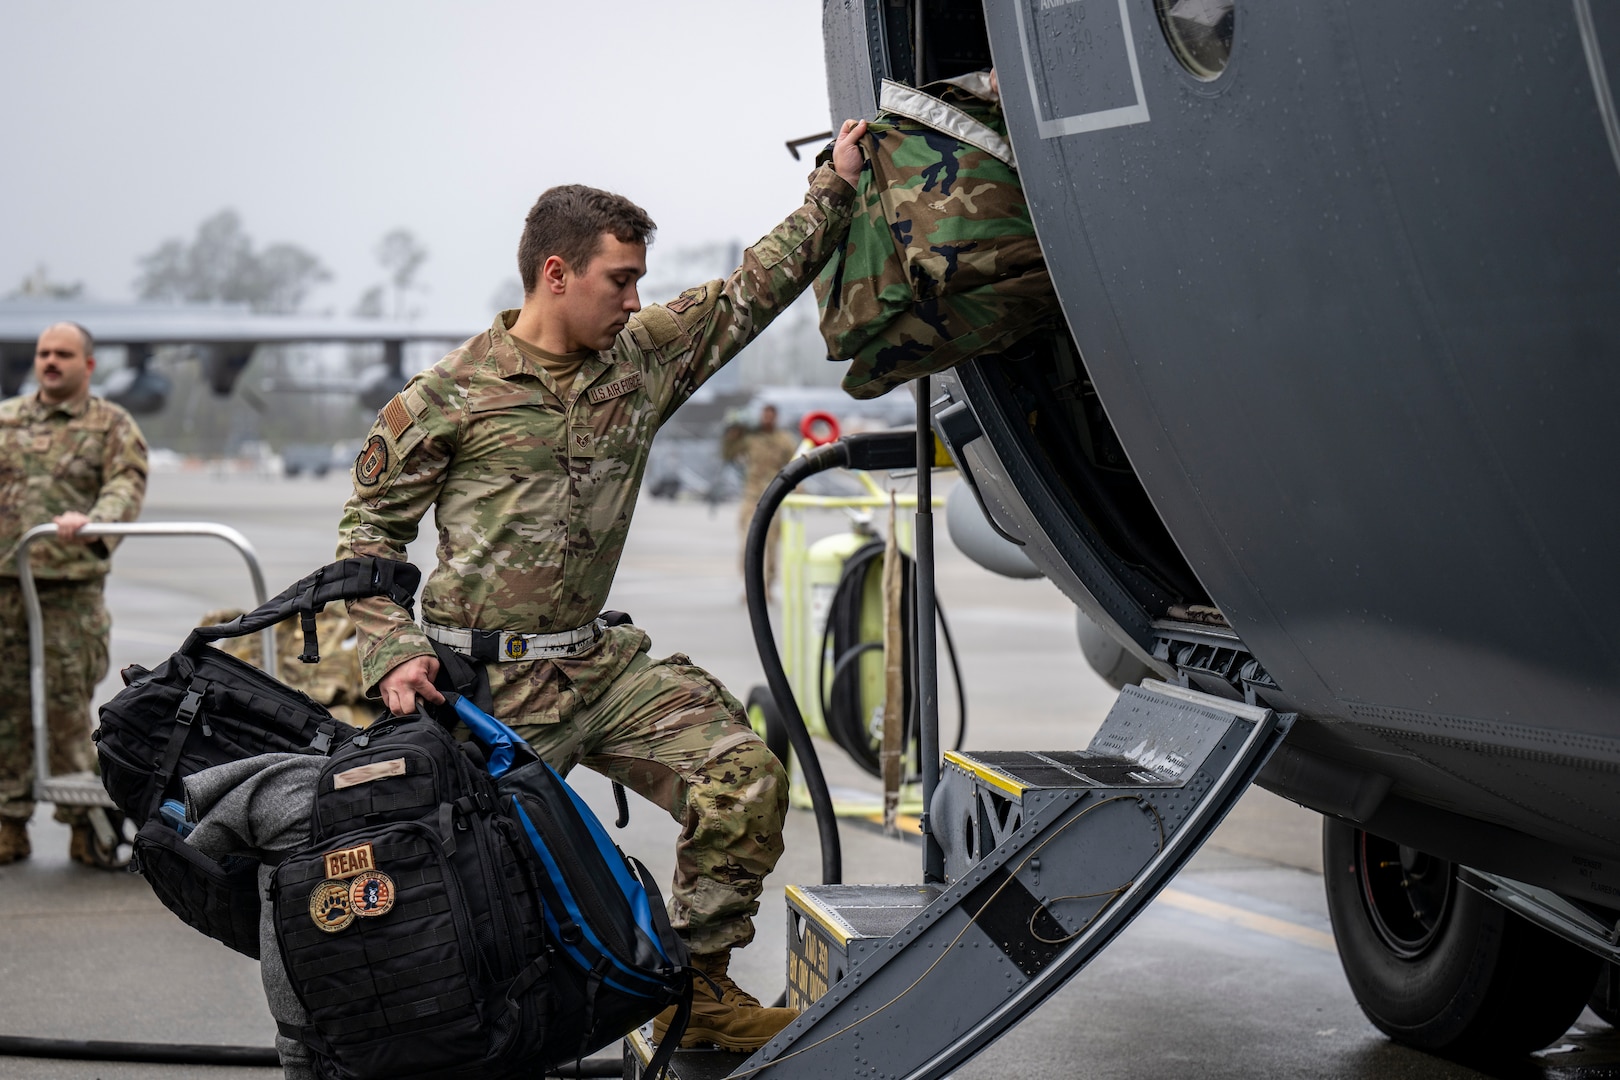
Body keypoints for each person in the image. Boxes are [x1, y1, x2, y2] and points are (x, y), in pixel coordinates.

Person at [335, 118, 867, 1053]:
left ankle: (695, 995)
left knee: (741, 779)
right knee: (480, 904)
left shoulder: (645, 359)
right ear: (555, 274)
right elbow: (366, 541)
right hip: (487, 693)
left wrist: (832, 184)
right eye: (619, 279)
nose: (634, 298)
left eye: (639, 282)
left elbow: (754, 287)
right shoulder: (447, 396)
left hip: (599, 666)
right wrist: (393, 653)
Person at [0, 322, 147, 866]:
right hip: (5, 586)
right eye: (43, 353)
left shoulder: (110, 425)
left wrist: (93, 522)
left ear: (88, 364)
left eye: (63, 354)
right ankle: (7, 822)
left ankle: (86, 823)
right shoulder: (6, 419)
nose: (50, 362)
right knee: (5, 710)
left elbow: (126, 484)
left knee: (69, 709)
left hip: (69, 590)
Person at [721, 403, 798, 593]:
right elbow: (729, 454)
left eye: (770, 415)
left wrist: (797, 490)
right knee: (748, 540)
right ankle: (750, 585)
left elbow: (795, 464)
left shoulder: (784, 440)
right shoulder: (751, 438)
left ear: (776, 417)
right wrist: (732, 435)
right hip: (751, 495)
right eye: (764, 415)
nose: (767, 419)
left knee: (770, 543)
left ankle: (767, 584)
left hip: (773, 496)